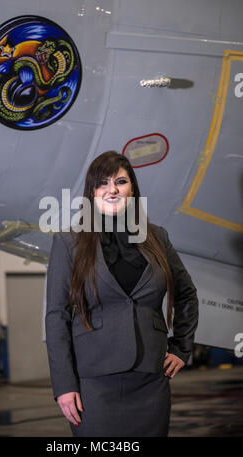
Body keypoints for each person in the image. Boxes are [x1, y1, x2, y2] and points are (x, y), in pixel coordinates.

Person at [45, 150, 199, 437]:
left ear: (132, 189)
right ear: (91, 192)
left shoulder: (157, 237)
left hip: (151, 380)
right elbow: (56, 317)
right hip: (94, 383)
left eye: (121, 181)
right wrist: (64, 385)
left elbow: (187, 294)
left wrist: (181, 348)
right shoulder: (69, 243)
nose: (112, 189)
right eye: (102, 183)